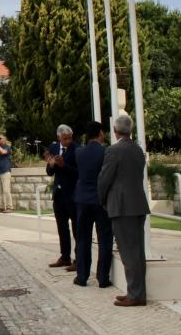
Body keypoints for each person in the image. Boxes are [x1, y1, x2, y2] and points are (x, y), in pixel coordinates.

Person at [98, 114, 150, 307]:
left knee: (128, 253)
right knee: (137, 252)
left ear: (115, 130)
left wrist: (103, 200)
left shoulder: (113, 150)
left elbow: (104, 179)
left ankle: (135, 295)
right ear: (130, 129)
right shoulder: (138, 149)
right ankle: (136, 291)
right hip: (138, 204)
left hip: (122, 206)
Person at [74, 121, 113, 288]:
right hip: (101, 200)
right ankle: (102, 277)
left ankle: (82, 276)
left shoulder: (79, 152)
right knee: (105, 238)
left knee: (83, 238)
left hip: (82, 199)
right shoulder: (106, 152)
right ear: (100, 133)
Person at [46, 124, 79, 270]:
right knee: (62, 227)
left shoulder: (77, 149)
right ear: (59, 137)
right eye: (65, 138)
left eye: (70, 138)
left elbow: (78, 172)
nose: (68, 141)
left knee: (76, 227)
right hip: (58, 195)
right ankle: (65, 257)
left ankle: (79, 259)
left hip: (72, 194)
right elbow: (49, 172)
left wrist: (63, 165)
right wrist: (52, 165)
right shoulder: (53, 149)